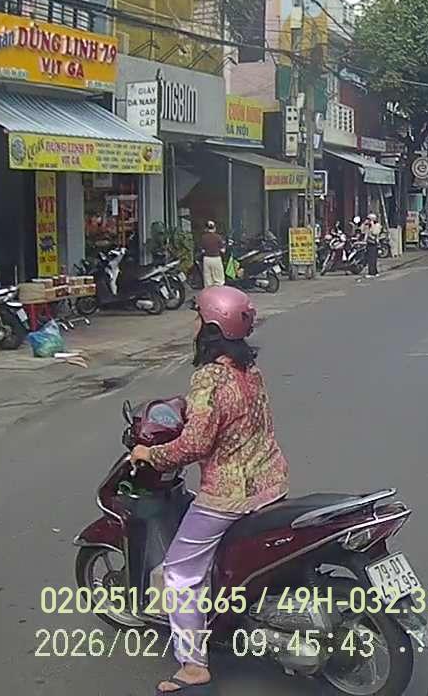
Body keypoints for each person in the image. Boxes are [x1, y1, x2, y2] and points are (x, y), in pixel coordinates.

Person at [128, 286, 289, 693]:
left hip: (228, 496)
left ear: (212, 326)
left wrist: (150, 454)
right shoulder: (249, 371)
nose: (194, 323)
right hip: (270, 483)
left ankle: (193, 665)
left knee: (180, 572)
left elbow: (194, 446)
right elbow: (232, 420)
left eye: (198, 317)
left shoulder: (209, 379)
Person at [199, 221, 225, 288]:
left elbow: (202, 250)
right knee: (219, 280)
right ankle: (218, 292)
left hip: (206, 259)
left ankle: (209, 293)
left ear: (207, 228)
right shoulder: (218, 237)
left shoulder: (203, 237)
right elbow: (223, 250)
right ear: (214, 228)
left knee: (208, 280)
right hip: (216, 259)